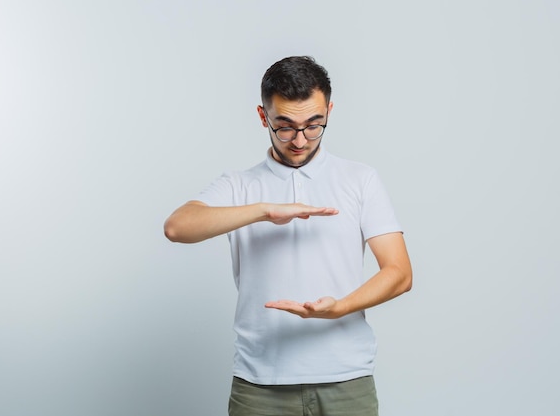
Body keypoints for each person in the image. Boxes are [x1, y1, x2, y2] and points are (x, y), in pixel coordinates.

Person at [164, 56, 412, 416]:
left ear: (328, 110)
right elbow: (177, 227)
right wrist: (265, 210)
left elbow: (400, 273)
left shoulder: (360, 179)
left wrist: (338, 308)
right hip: (259, 385)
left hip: (347, 380)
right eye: (285, 126)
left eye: (314, 125)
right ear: (263, 117)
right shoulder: (239, 185)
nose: (300, 140)